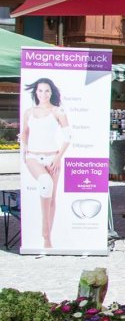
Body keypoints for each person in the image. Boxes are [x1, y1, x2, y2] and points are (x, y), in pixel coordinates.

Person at [23, 78, 70, 250]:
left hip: (53, 157)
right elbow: (25, 133)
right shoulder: (29, 112)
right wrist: (25, 151)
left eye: (47, 90)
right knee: (45, 183)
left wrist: (57, 159)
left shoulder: (58, 111)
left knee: (52, 198)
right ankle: (45, 234)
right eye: (40, 90)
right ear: (36, 92)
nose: (43, 94)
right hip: (33, 157)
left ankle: (48, 237)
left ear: (52, 92)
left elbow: (68, 137)